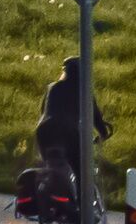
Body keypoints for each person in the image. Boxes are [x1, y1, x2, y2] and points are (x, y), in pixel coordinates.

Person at [34, 56, 112, 198]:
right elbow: (94, 116)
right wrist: (103, 133)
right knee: (81, 171)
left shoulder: (53, 87)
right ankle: (81, 210)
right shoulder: (83, 91)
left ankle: (47, 192)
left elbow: (43, 112)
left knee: (50, 164)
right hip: (68, 131)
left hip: (44, 130)